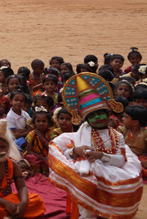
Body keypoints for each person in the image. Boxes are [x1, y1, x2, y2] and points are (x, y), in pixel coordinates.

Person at [49, 73, 143, 219]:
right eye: (92, 116)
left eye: (101, 113)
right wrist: (75, 150)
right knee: (85, 181)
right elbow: (68, 155)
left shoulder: (117, 136)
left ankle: (107, 211)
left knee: (128, 185)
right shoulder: (82, 133)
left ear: (108, 114)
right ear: (86, 120)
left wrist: (101, 156)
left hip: (111, 169)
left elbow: (120, 160)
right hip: (86, 170)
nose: (98, 118)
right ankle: (85, 215)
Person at [0, 119, 45, 219]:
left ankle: (10, 215)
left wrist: (23, 203)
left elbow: (21, 187)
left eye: (3, 147)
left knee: (37, 200)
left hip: (9, 199)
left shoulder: (12, 164)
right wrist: (5, 203)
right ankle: (13, 214)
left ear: (8, 147)